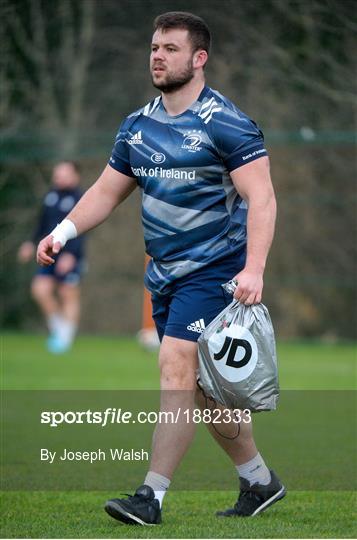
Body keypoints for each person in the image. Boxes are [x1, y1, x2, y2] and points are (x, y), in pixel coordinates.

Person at [37, 12, 285, 524]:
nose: (157, 55)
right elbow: (106, 192)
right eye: (154, 47)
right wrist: (62, 232)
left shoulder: (228, 123)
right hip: (165, 274)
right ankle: (259, 482)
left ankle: (150, 497)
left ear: (199, 59)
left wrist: (254, 269)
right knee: (202, 387)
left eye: (170, 48)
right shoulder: (138, 125)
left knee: (174, 366)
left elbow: (262, 198)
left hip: (217, 273)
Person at [19, 161, 85, 354]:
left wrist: (71, 254)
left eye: (64, 173)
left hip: (70, 255)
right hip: (48, 252)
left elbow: (83, 231)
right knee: (40, 290)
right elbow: (42, 224)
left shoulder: (81, 198)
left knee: (68, 293)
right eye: (57, 174)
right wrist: (30, 243)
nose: (59, 177)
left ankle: (66, 338)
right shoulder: (51, 196)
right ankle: (59, 330)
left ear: (75, 175)